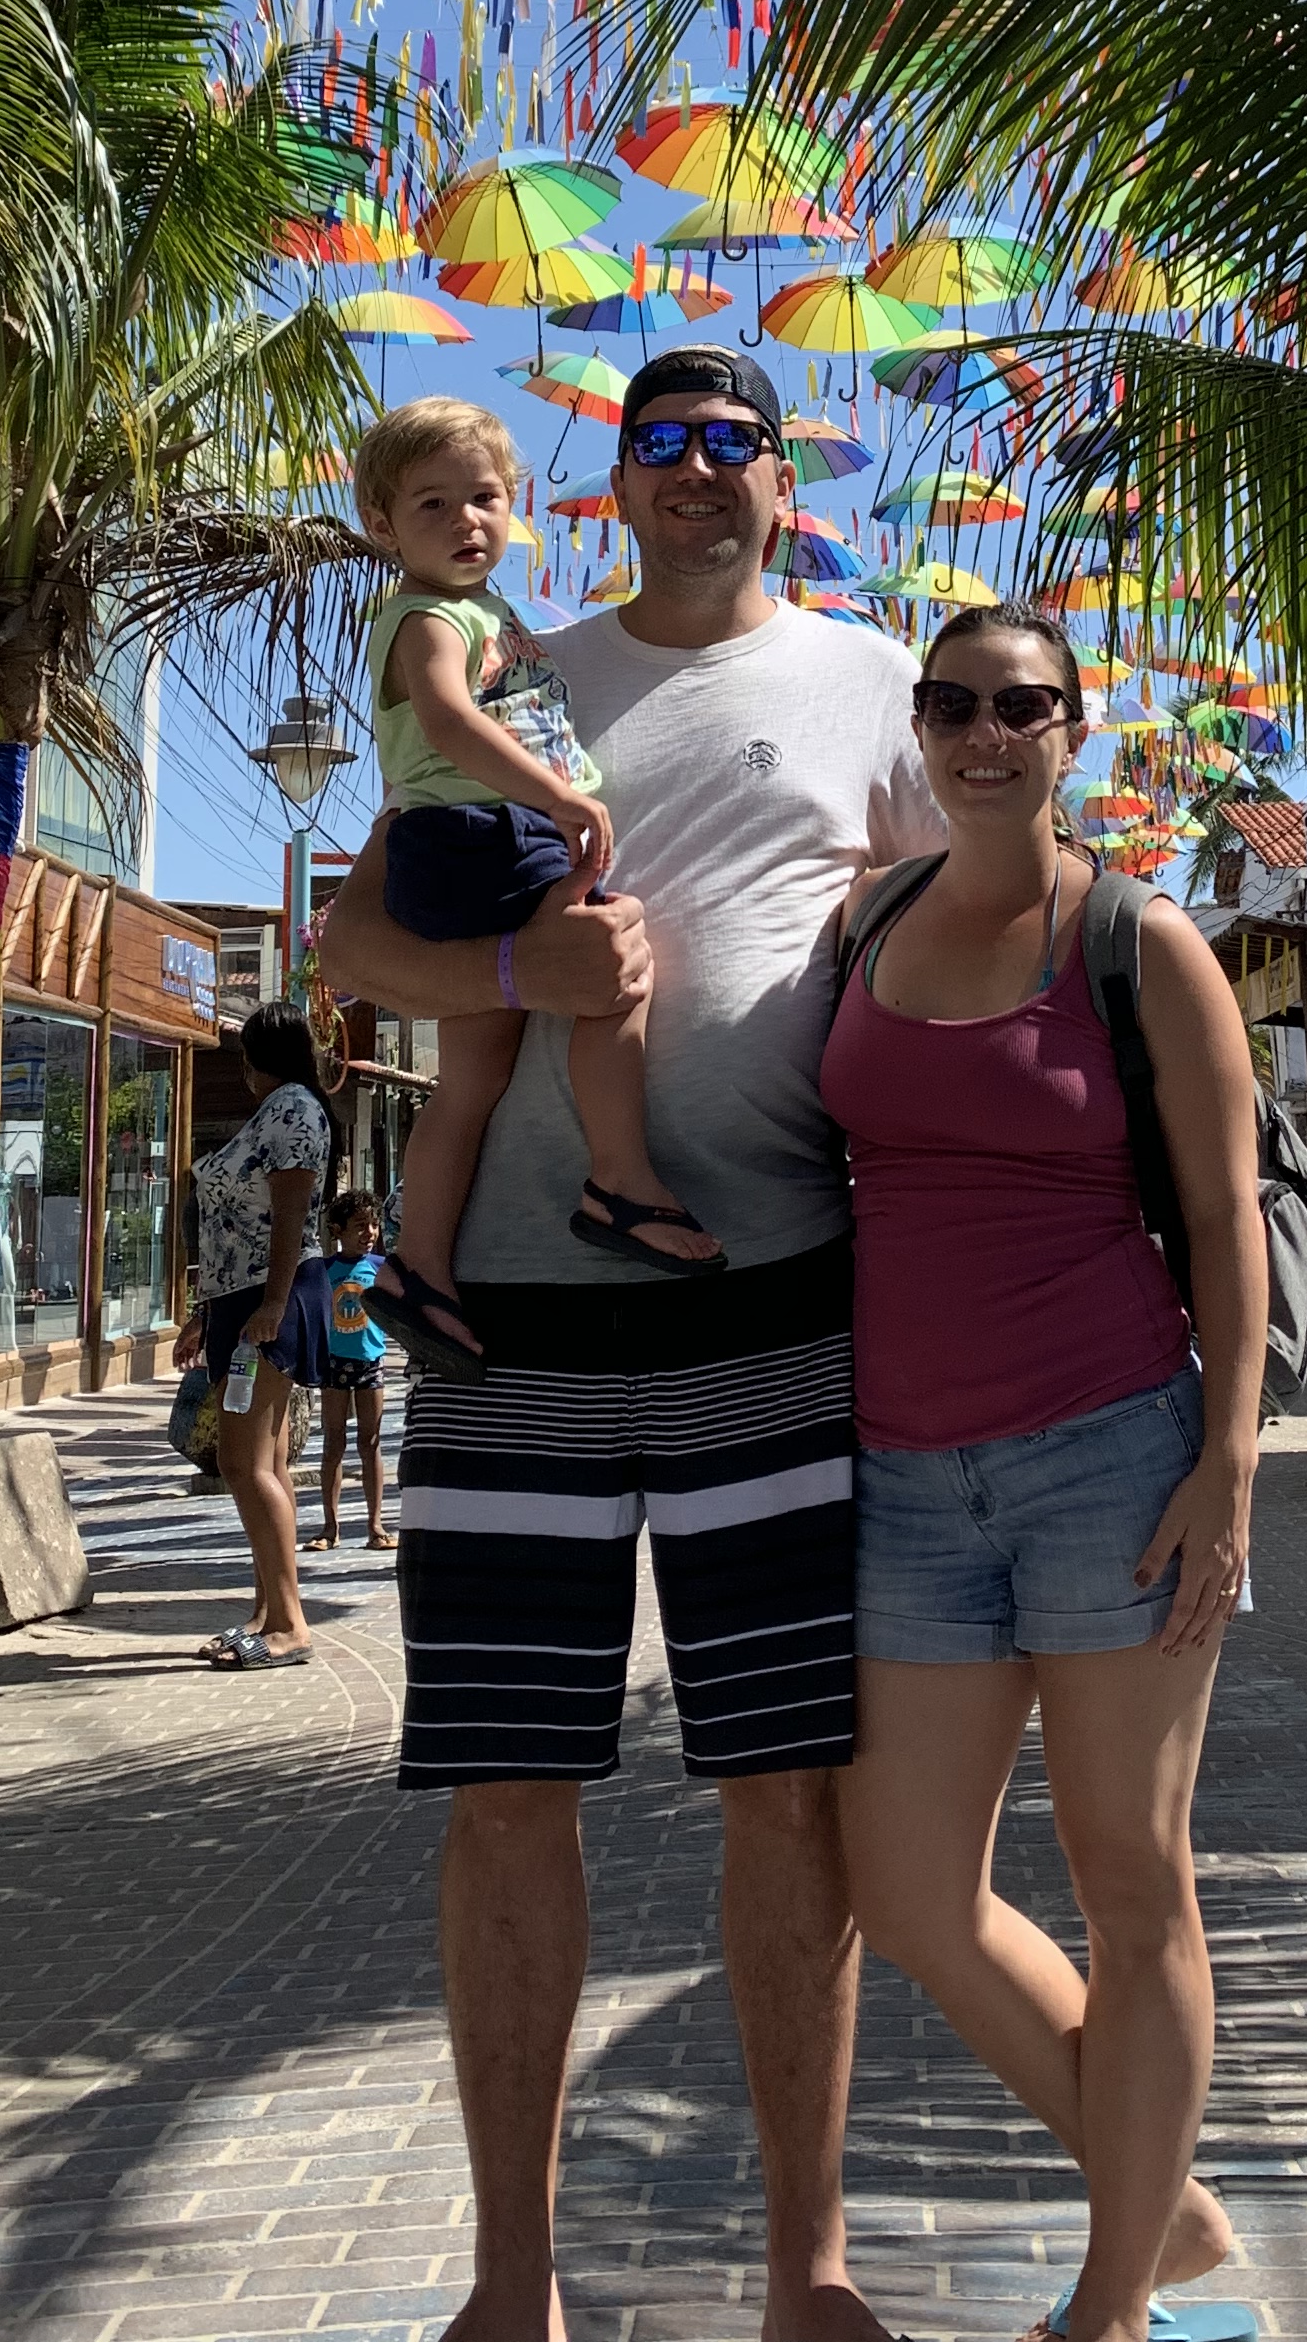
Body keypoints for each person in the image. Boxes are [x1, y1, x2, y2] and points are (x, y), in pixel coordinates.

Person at [320, 342, 943, 2342]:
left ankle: (808, 2275)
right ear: (611, 485)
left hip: (784, 1299)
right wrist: (519, 964)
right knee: (512, 1792)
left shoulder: (869, 679)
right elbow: (352, 948)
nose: (693, 470)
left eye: (728, 441)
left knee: (789, 1790)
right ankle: (517, 2288)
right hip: (518, 1323)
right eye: (657, 444)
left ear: (783, 477)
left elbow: (964, 924)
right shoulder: (519, 657)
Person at [822, 605, 1268, 2342]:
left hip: (1112, 1459)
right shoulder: (862, 922)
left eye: (1020, 706)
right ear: (918, 727)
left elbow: (1224, 1220)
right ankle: (1164, 2210)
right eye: (951, 705)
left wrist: (1226, 1464)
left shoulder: (1139, 940)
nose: (983, 732)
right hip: (901, 1482)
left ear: (1072, 729)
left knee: (1129, 1876)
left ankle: (1106, 2306)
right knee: (910, 1893)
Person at [352, 395, 720, 1377]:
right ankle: (620, 1177)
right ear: (380, 526)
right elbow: (447, 721)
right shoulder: (427, 618)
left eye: (484, 499)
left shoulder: (485, 612)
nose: (466, 521)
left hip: (480, 835)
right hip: (485, 837)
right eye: (432, 505)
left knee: (470, 1080)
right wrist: (559, 797)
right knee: (613, 972)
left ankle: (417, 1267)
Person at [172, 1002, 342, 1666]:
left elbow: (291, 1215)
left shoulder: (294, 1110)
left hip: (265, 1302)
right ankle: (270, 1606)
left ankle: (290, 1623)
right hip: (236, 1301)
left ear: (257, 1055)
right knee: (264, 1463)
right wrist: (203, 1311)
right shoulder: (279, 1109)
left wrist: (270, 1304)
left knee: (243, 1464)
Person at [318, 1187, 396, 1551]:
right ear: (337, 1230)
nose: (369, 1232)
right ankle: (329, 1527)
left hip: (371, 1362)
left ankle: (375, 1526)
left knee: (371, 1442)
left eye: (373, 1225)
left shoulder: (382, 1268)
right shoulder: (324, 1271)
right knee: (333, 1442)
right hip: (334, 1363)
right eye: (359, 1226)